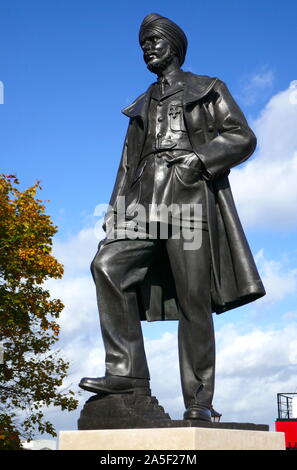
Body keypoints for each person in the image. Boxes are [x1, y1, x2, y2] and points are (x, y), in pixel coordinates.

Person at [79, 13, 265, 421]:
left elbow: (242, 136)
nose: (147, 48)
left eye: (154, 41)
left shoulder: (209, 88)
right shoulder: (141, 104)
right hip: (142, 202)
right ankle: (127, 373)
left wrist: (198, 159)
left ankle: (199, 400)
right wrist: (115, 212)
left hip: (187, 201)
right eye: (143, 43)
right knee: (106, 265)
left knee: (192, 298)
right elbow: (126, 165)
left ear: (174, 46)